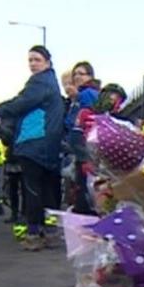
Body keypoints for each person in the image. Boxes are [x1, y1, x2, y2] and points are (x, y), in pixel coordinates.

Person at [0, 45, 65, 251]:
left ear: (47, 63)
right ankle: (49, 232)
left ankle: (34, 233)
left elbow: (22, 103)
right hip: (47, 143)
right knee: (47, 190)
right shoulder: (51, 82)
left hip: (35, 143)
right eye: (30, 60)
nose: (32, 64)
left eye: (37, 60)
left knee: (32, 189)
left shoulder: (40, 82)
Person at [66, 62, 99, 214]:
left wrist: (77, 96)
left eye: (81, 73)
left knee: (84, 183)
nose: (77, 77)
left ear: (90, 76)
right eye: (75, 74)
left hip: (84, 144)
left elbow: (92, 108)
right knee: (79, 182)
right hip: (78, 145)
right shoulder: (79, 95)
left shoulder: (87, 93)